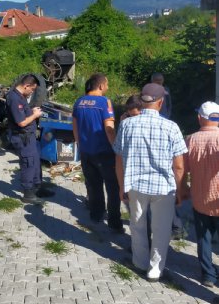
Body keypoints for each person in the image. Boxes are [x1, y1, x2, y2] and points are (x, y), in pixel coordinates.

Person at [113, 83, 186, 281]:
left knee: (137, 226)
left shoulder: (127, 124)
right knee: (161, 230)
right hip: (164, 188)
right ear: (161, 103)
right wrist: (180, 190)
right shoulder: (172, 127)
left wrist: (121, 186)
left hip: (135, 185)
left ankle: (140, 262)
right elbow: (179, 166)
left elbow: (118, 159)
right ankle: (155, 270)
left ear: (142, 101)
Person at [72, 73, 123, 231]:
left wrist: (80, 145)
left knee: (93, 185)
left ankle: (96, 214)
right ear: (100, 86)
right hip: (104, 152)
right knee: (112, 187)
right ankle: (114, 223)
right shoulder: (104, 102)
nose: (107, 87)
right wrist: (117, 149)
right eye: (106, 85)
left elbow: (75, 127)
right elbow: (109, 130)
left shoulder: (78, 102)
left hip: (86, 151)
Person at [182, 101, 219, 287]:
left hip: (199, 199)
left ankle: (208, 275)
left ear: (200, 118)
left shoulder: (191, 139)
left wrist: (183, 189)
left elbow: (182, 168)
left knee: (203, 238)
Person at [6, 74, 54, 205]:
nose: (32, 92)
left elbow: (23, 114)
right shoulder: (14, 98)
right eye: (32, 90)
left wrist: (31, 111)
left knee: (36, 161)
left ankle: (37, 187)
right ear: (26, 86)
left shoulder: (21, 97)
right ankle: (28, 193)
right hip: (22, 137)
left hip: (30, 136)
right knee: (29, 163)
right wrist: (35, 115)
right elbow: (21, 122)